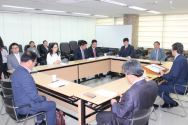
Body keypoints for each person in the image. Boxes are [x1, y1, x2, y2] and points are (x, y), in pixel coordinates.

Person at [96, 60, 158, 125]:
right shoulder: (153, 84)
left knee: (99, 116)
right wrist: (125, 99)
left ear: (130, 76)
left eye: (125, 75)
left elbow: (120, 114)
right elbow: (140, 99)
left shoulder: (131, 93)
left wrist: (114, 103)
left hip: (128, 121)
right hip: (143, 120)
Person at [11, 51, 57, 125]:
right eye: (34, 62)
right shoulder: (26, 76)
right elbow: (33, 95)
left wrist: (41, 99)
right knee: (52, 105)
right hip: (25, 107)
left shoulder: (16, 71)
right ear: (29, 62)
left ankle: (39, 122)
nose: (34, 64)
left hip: (19, 102)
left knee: (44, 97)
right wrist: (40, 99)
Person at [158, 42, 188, 108]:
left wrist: (163, 75)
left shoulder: (178, 60)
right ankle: (167, 102)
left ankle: (171, 102)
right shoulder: (183, 58)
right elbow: (178, 74)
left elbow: (173, 76)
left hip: (179, 86)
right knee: (162, 84)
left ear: (175, 51)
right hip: (183, 84)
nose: (171, 51)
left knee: (156, 88)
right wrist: (167, 79)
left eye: (172, 50)